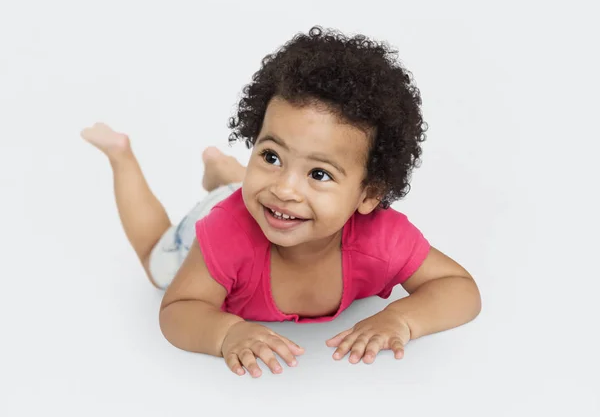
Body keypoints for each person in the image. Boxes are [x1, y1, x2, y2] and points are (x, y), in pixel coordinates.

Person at [81, 26, 481, 378]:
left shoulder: (381, 239)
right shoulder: (224, 236)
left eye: (319, 174)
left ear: (369, 195)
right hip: (229, 216)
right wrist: (226, 332)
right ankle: (122, 156)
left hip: (260, 204)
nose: (286, 185)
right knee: (157, 261)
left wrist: (402, 318)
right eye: (270, 155)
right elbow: (178, 309)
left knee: (269, 196)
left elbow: (459, 288)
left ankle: (224, 172)